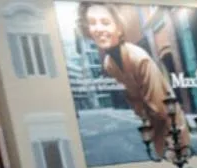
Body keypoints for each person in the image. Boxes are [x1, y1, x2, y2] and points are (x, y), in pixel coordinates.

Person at [79, 2, 190, 159]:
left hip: (172, 126)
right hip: (154, 126)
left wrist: (171, 141)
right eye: (92, 23)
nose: (98, 29)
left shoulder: (138, 58)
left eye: (105, 22)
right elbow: (132, 98)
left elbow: (161, 107)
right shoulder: (109, 63)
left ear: (118, 27)